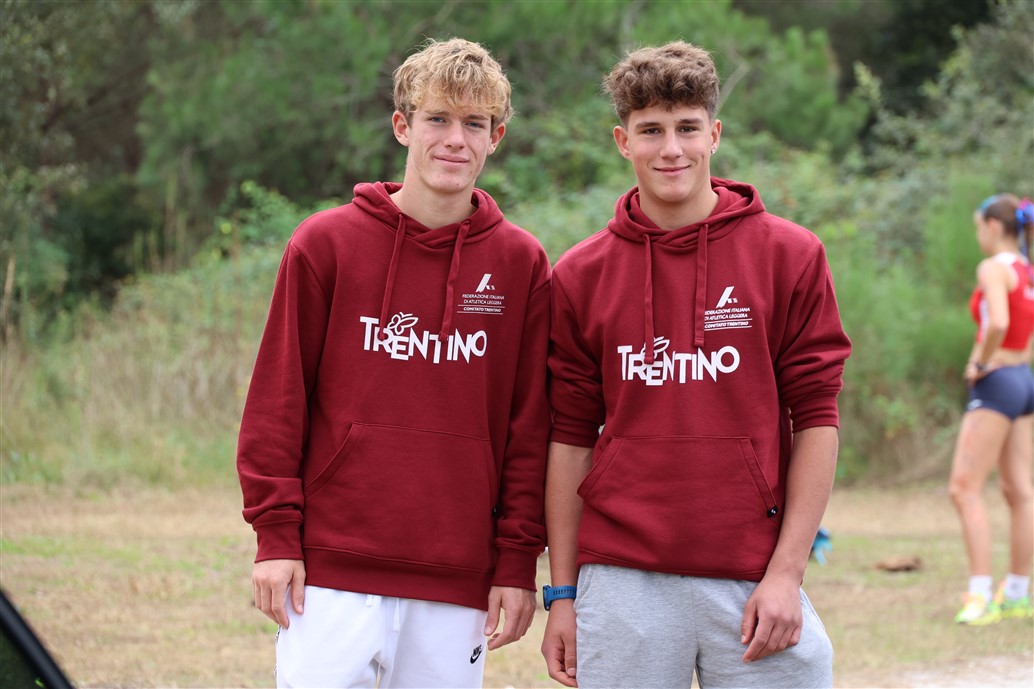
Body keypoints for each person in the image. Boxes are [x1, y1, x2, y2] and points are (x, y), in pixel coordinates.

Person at [236, 38, 551, 688]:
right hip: (331, 570)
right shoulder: (325, 244)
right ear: (403, 125)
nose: (455, 140)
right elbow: (277, 401)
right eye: (438, 118)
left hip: (456, 575)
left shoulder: (520, 264)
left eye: (474, 123)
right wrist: (276, 536)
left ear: (496, 137)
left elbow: (529, 430)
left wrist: (517, 560)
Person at [540, 41, 852, 688]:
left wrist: (787, 572)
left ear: (714, 133)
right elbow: (569, 439)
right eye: (651, 130)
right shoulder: (580, 274)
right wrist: (563, 593)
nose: (671, 149)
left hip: (753, 573)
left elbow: (817, 417)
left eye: (687, 128)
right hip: (622, 576)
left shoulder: (790, 256)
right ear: (623, 141)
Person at [948, 194, 1034, 625]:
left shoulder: (993, 268)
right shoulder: (1026, 269)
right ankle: (1017, 594)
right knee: (1020, 491)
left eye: (979, 226)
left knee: (964, 488)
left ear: (994, 226)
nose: (978, 234)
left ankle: (980, 596)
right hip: (1024, 379)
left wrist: (980, 363)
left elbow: (997, 322)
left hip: (997, 383)